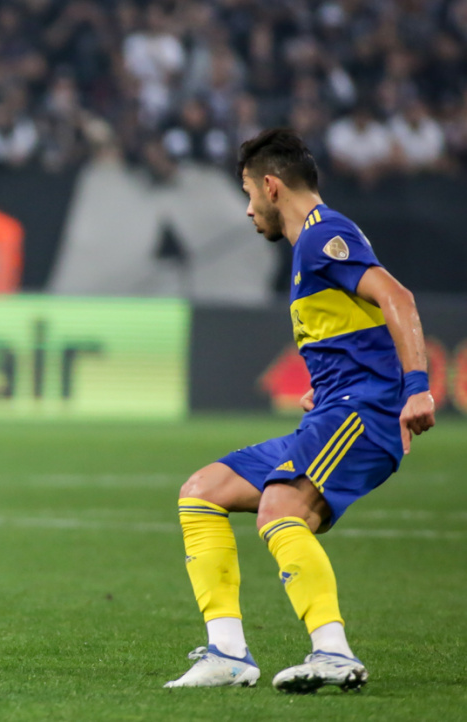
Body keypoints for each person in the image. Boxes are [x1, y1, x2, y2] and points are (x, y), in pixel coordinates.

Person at [164, 128, 435, 693]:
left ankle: (332, 652)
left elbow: (398, 298)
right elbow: (356, 326)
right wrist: (327, 380)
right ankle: (228, 653)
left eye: (247, 192)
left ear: (270, 186)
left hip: (361, 414)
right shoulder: (314, 246)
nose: (247, 209)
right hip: (333, 410)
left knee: (278, 507)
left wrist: (416, 387)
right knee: (203, 489)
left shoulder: (321, 235)